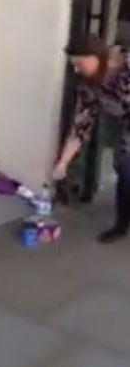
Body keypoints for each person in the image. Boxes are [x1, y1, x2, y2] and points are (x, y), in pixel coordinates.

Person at [54, 34, 130, 244]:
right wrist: (62, 163)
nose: (77, 70)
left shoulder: (126, 69)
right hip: (124, 123)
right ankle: (121, 226)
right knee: (125, 169)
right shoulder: (89, 86)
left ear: (96, 57)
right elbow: (80, 127)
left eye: (79, 64)